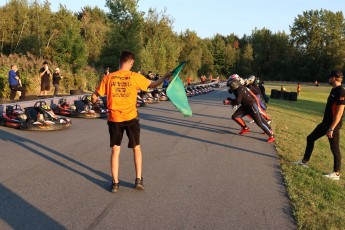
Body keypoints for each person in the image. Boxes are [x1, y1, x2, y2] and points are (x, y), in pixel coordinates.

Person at [91, 51, 172, 193]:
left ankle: (115, 183)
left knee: (116, 150)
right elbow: (153, 85)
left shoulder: (108, 78)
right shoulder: (135, 77)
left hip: (114, 118)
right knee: (136, 148)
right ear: (131, 62)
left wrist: (95, 106)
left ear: (120, 61)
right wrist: (165, 75)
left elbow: (94, 96)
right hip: (131, 117)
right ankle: (138, 180)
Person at [294, 70, 345, 180]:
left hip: (333, 126)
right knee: (310, 138)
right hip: (324, 123)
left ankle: (336, 174)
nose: (328, 79)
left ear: (334, 78)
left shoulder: (341, 92)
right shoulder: (334, 89)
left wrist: (331, 128)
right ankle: (304, 162)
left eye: (329, 78)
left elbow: (339, 113)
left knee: (335, 149)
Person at [225, 76, 275, 143]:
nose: (229, 88)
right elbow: (239, 100)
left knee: (259, 122)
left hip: (251, 106)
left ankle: (271, 135)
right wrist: (230, 99)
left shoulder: (239, 90)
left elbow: (238, 102)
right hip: (245, 106)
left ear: (234, 85)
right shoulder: (238, 89)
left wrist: (229, 102)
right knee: (235, 117)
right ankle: (245, 128)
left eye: (230, 87)